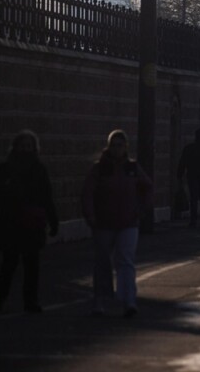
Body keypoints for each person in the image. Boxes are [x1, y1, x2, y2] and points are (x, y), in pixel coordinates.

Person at [81, 130, 153, 317]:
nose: (116, 149)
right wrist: (91, 216)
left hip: (128, 222)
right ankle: (100, 300)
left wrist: (141, 211)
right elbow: (88, 192)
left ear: (125, 147)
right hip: (103, 223)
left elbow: (147, 187)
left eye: (120, 145)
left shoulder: (132, 168)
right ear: (108, 146)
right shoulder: (99, 168)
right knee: (102, 262)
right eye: (113, 145)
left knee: (126, 261)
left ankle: (129, 300)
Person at [0, 130, 59, 314]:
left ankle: (30, 301)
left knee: (31, 265)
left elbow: (47, 197)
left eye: (28, 146)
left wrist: (53, 220)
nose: (25, 149)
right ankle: (1, 299)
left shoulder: (38, 170)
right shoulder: (5, 169)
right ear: (15, 147)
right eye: (22, 146)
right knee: (9, 265)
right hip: (11, 223)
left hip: (31, 223)